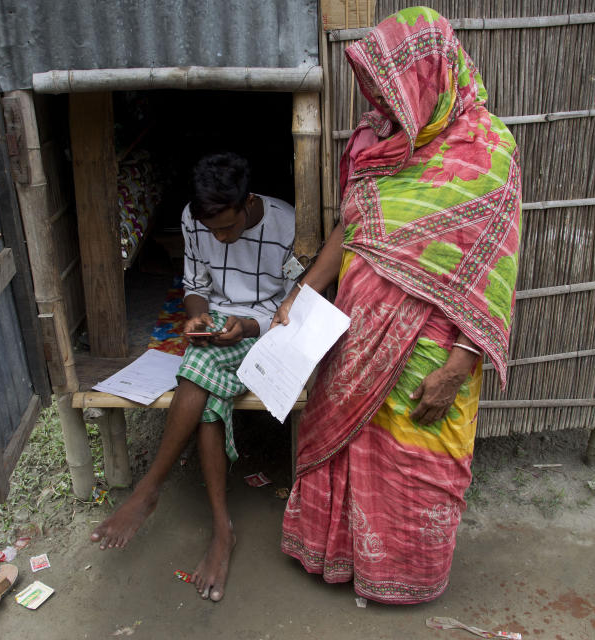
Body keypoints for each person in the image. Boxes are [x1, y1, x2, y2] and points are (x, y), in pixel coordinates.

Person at [275, 7, 521, 604]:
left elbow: (496, 268)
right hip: (356, 334)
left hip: (435, 353)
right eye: (376, 89)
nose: (381, 102)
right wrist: (302, 291)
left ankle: (407, 576)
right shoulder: (376, 141)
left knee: (415, 463)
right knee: (350, 448)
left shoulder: (487, 151)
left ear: (432, 76)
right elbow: (350, 231)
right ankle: (340, 559)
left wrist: (459, 368)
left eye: (391, 89)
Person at [90, 151, 296, 603]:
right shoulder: (192, 218)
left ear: (249, 202)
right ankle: (221, 531)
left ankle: (150, 490)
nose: (219, 238)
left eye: (227, 226)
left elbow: (295, 299)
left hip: (269, 327)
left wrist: (251, 326)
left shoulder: (286, 223)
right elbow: (196, 285)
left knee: (196, 372)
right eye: (211, 230)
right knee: (206, 393)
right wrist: (198, 318)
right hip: (222, 322)